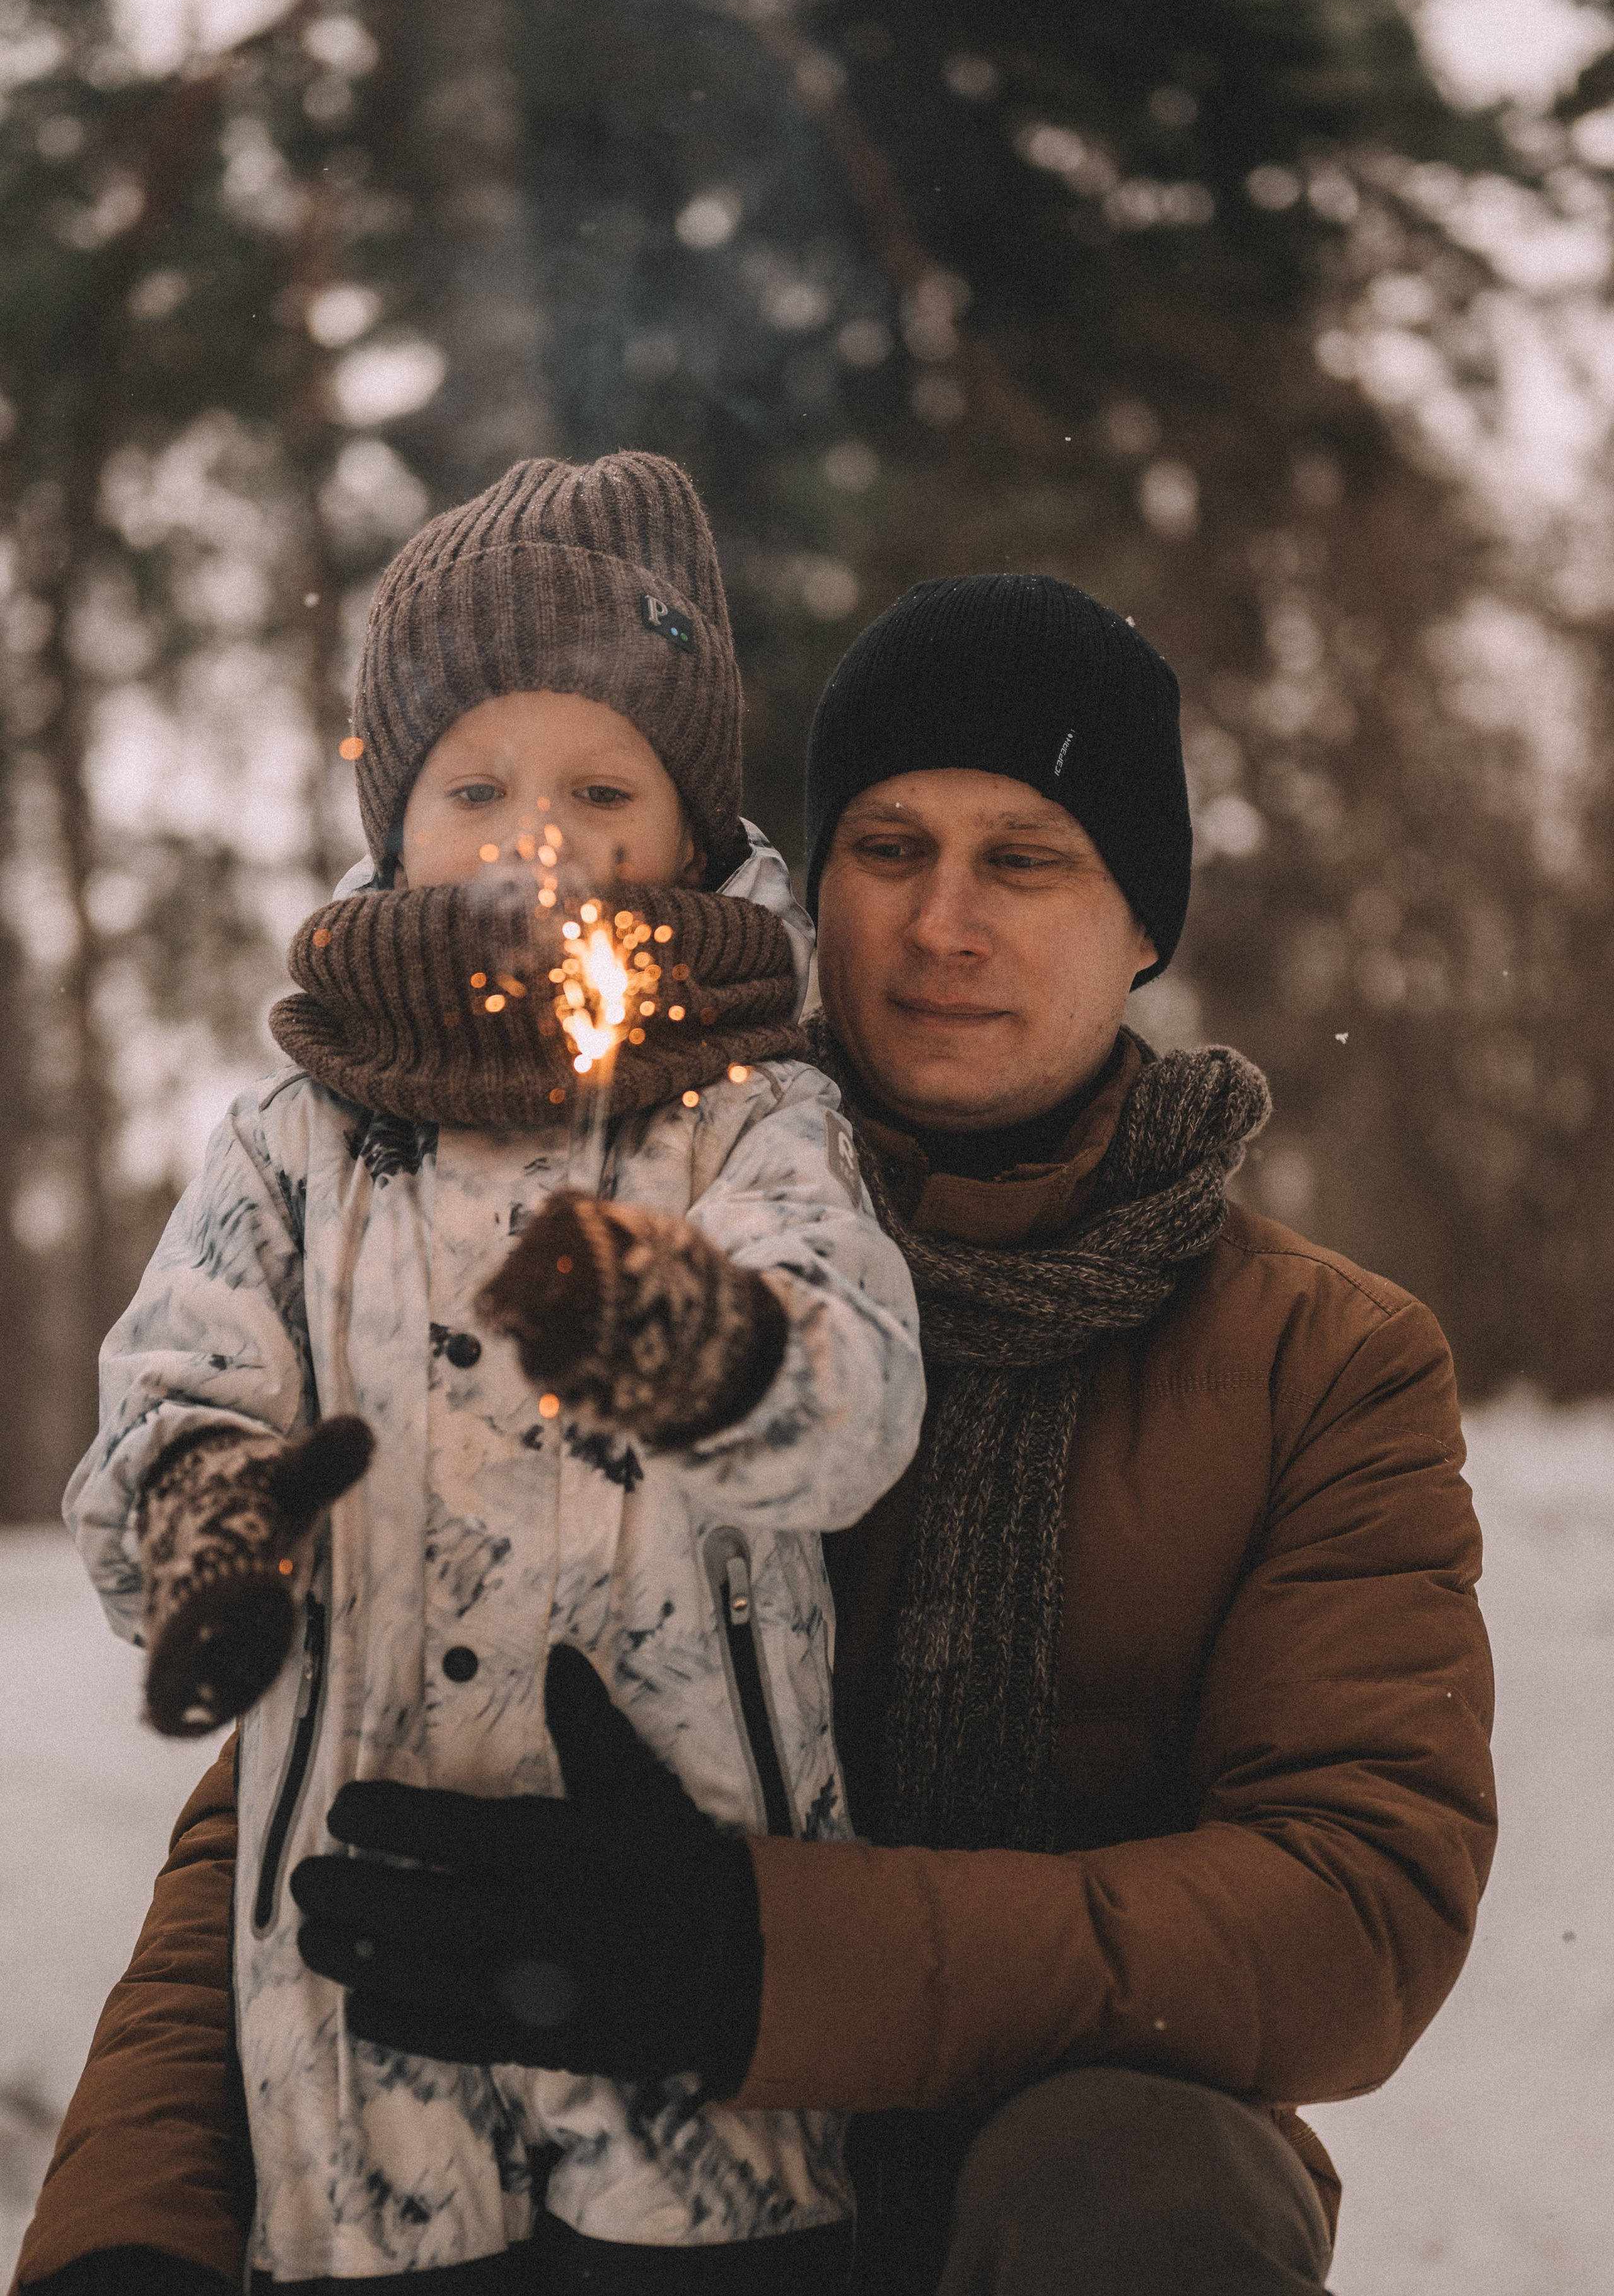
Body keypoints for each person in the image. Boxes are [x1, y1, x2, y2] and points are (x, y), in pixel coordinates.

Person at [18, 574, 1495, 2296]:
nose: (945, 921)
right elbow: (310, 1782)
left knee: (1150, 2179)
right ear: (800, 884)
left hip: (1017, 2192)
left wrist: (758, 1958)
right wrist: (127, 2232)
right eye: (889, 848)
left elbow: (1356, 1900)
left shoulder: (1321, 1360)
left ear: (1145, 920)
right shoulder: (613, 1231)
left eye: (1026, 859)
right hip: (551, 2176)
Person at [36, 455, 924, 2292]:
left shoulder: (752, 1114)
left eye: (607, 787)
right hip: (365, 2052)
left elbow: (854, 1396)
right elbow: (176, 1385)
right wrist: (215, 1521)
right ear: (395, 823)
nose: (547, 833)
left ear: (689, 832)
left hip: (696, 2051)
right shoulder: (299, 1136)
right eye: (481, 785)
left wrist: (698, 1337)